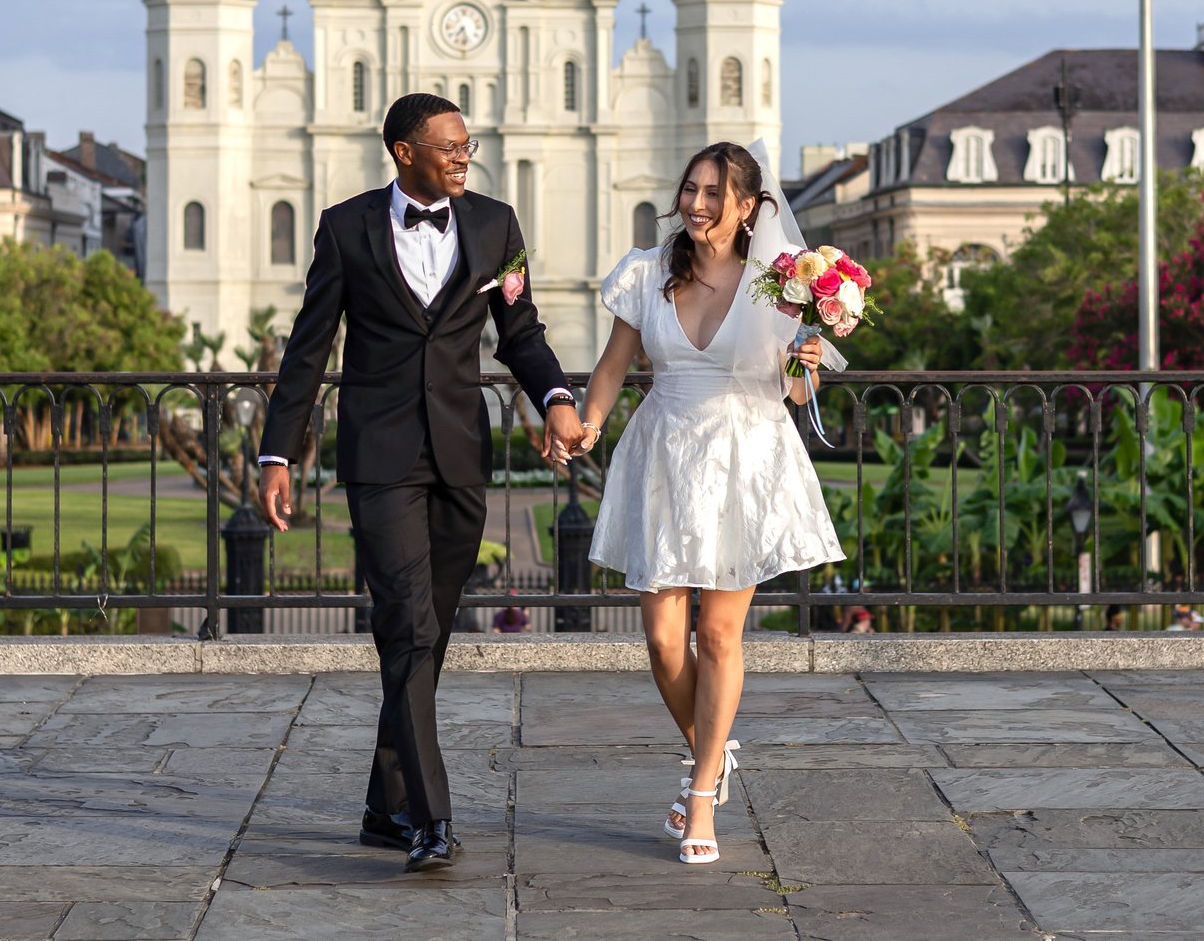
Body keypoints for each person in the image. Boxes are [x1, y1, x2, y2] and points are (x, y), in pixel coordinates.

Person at [257, 93, 583, 873]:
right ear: (404, 151)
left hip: (460, 457)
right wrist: (277, 451)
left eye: (467, 144)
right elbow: (309, 348)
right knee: (408, 624)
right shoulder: (346, 226)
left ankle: (381, 801)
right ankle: (430, 818)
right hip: (380, 459)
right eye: (448, 146)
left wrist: (557, 397)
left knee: (425, 630)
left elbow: (522, 331)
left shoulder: (496, 226)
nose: (463, 156)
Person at [565, 140, 844, 867]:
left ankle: (699, 794)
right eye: (691, 188)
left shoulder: (780, 286)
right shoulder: (647, 272)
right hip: (663, 452)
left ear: (749, 207)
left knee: (719, 635)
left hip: (743, 457)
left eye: (715, 192)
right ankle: (713, 756)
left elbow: (793, 392)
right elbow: (612, 367)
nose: (697, 203)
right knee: (662, 640)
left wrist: (807, 361)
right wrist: (587, 423)